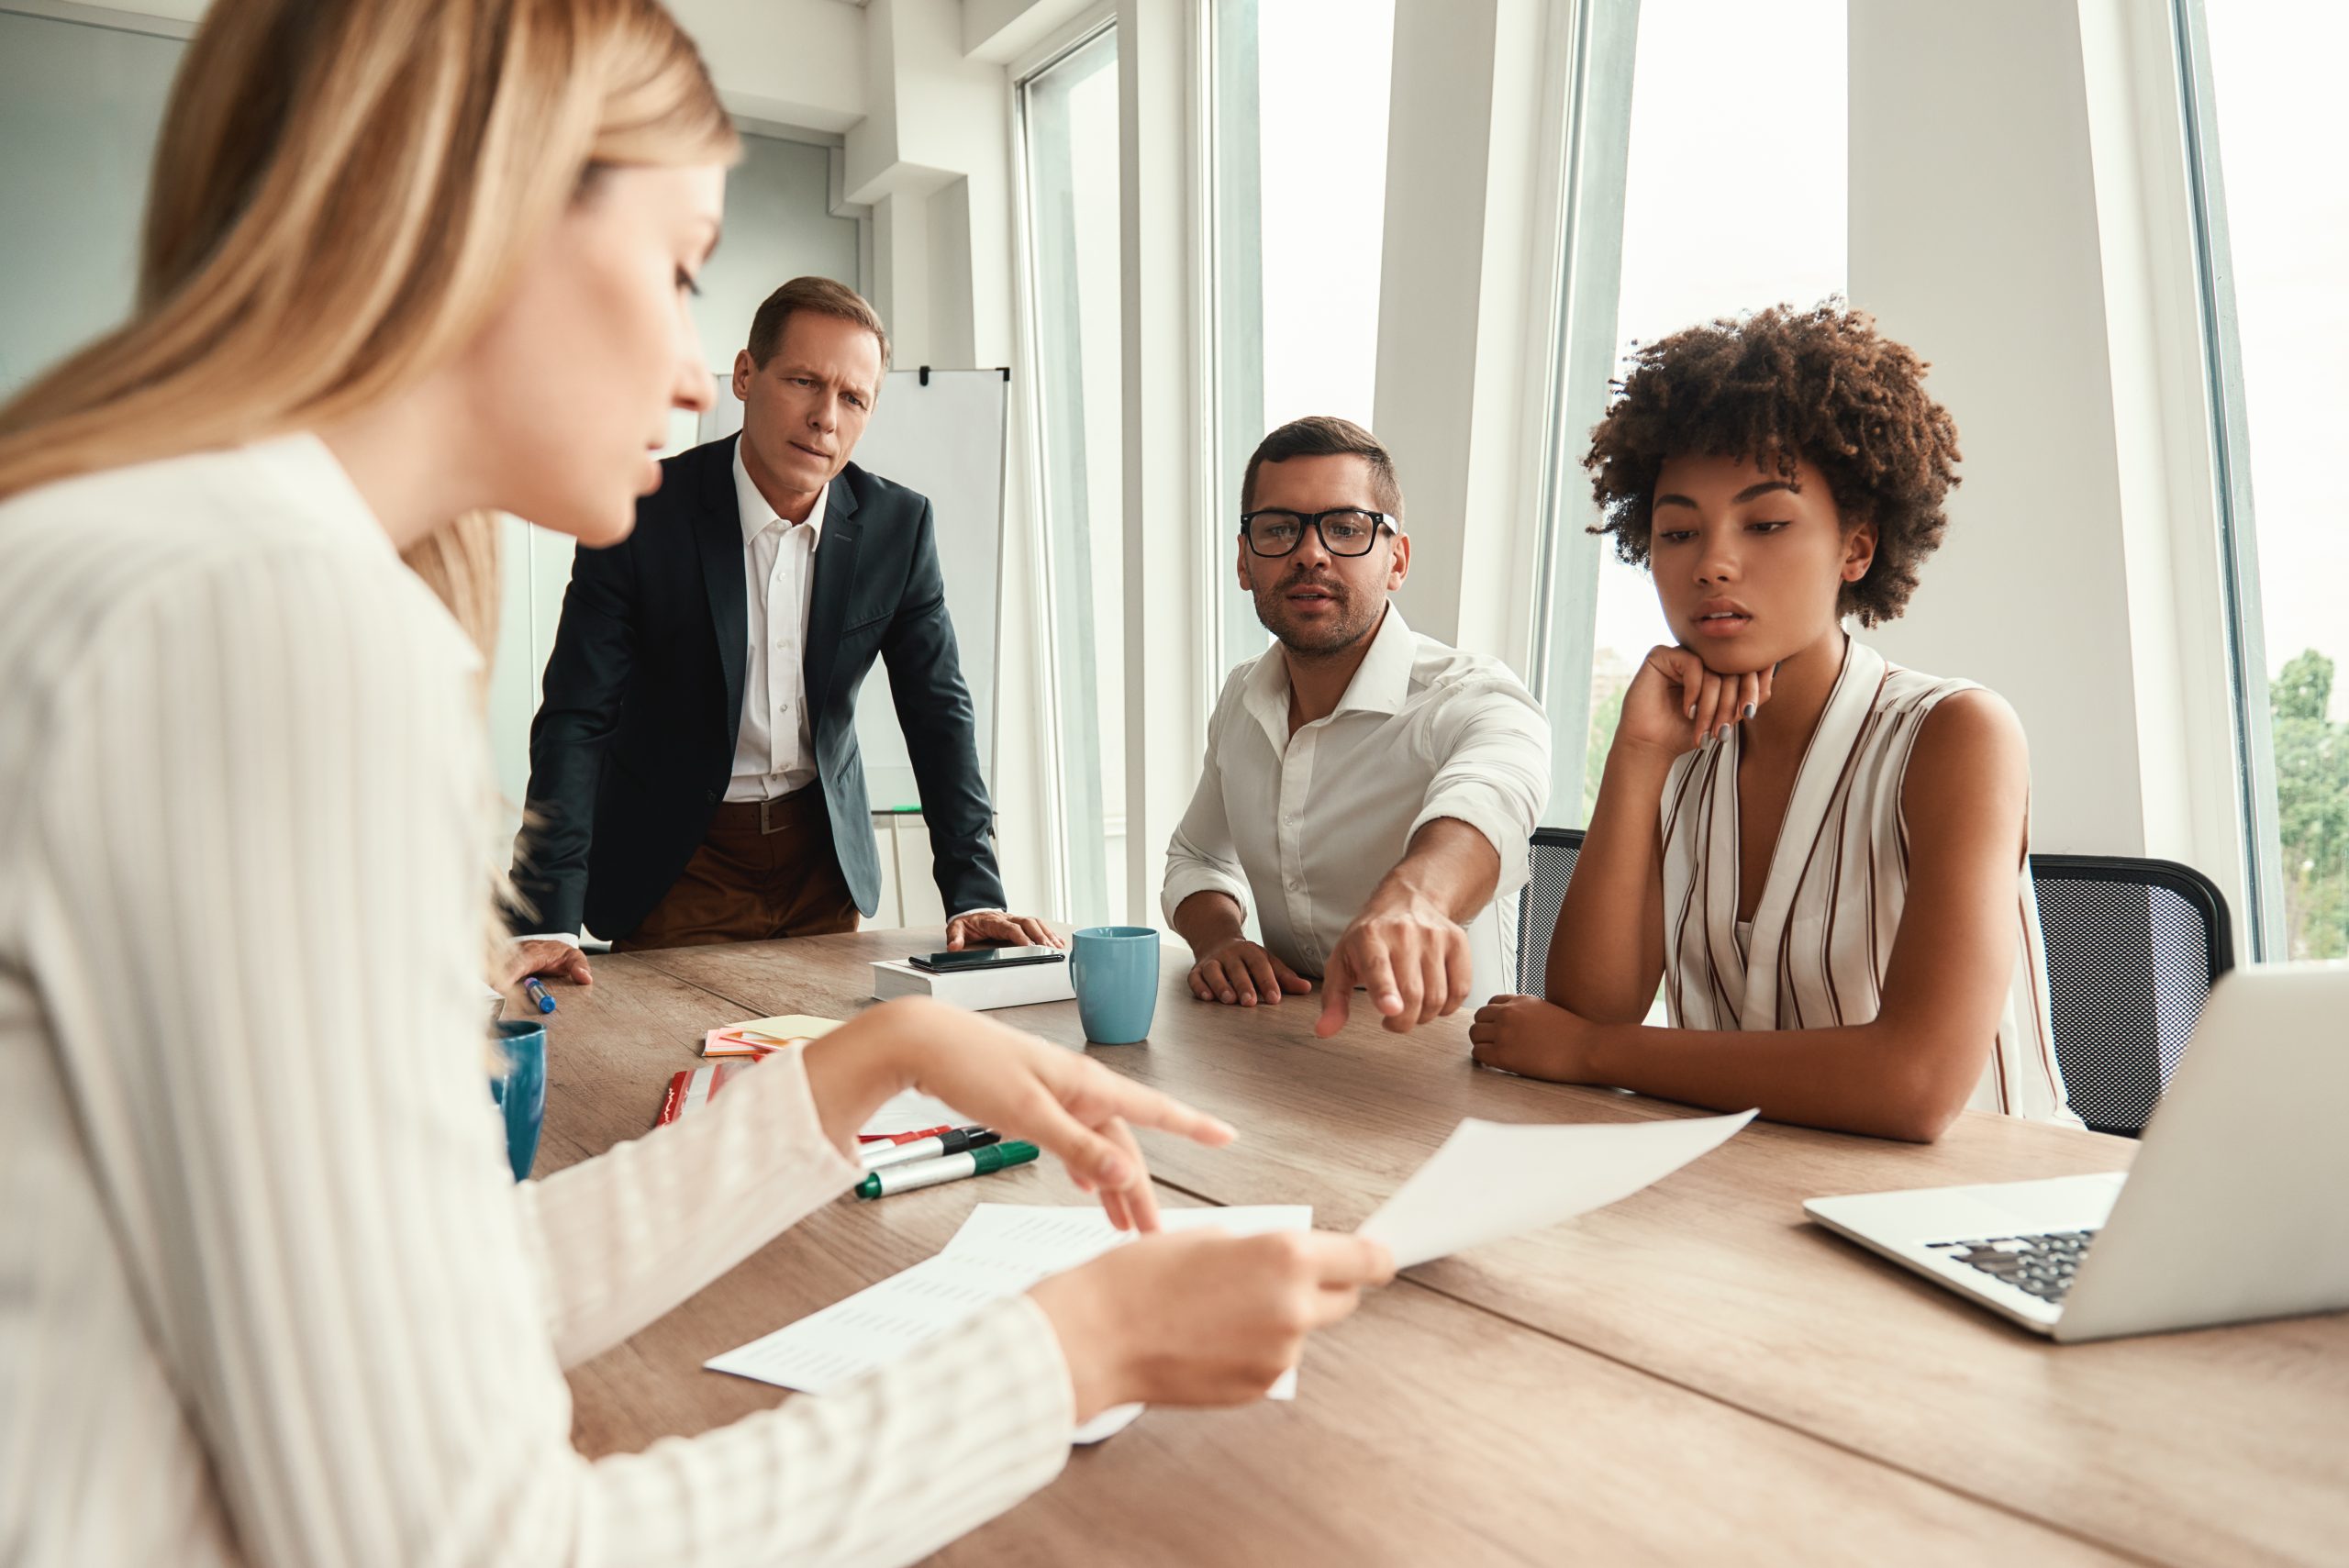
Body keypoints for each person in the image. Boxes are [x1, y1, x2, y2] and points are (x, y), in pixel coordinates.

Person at [0, 4, 1391, 1563]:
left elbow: (420, 1303)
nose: (687, 374)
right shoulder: (268, 621)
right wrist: (1073, 1353)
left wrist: (860, 1064)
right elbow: (460, 1540)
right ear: (476, 208)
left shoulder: (153, 557)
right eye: (675, 267)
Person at [1469, 303, 2076, 1140]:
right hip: (1752, 1196)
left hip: (1973, 1212)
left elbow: (1915, 1085)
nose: (1713, 561)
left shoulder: (1954, 733)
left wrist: (1598, 1054)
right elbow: (1589, 1005)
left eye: (1766, 523)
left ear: (1856, 549)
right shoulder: (1678, 739)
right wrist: (1638, 755)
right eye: (1679, 530)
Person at [504, 274, 1054, 991]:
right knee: (676, 1077)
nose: (826, 417)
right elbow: (578, 720)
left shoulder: (898, 528)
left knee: (824, 1069)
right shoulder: (641, 517)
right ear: (744, 375)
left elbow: (938, 715)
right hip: (679, 859)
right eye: (803, 381)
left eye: (853, 398)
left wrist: (976, 890)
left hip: (819, 859)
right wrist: (546, 913)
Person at [1163, 417, 1551, 1035]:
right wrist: (1219, 940)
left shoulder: (1475, 696)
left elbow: (1492, 803)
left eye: (1345, 528)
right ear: (1244, 561)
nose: (1310, 552)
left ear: (1396, 559)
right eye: (1279, 529)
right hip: (1282, 1051)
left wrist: (1417, 898)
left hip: (1447, 1069)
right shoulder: (1242, 695)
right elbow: (1199, 854)